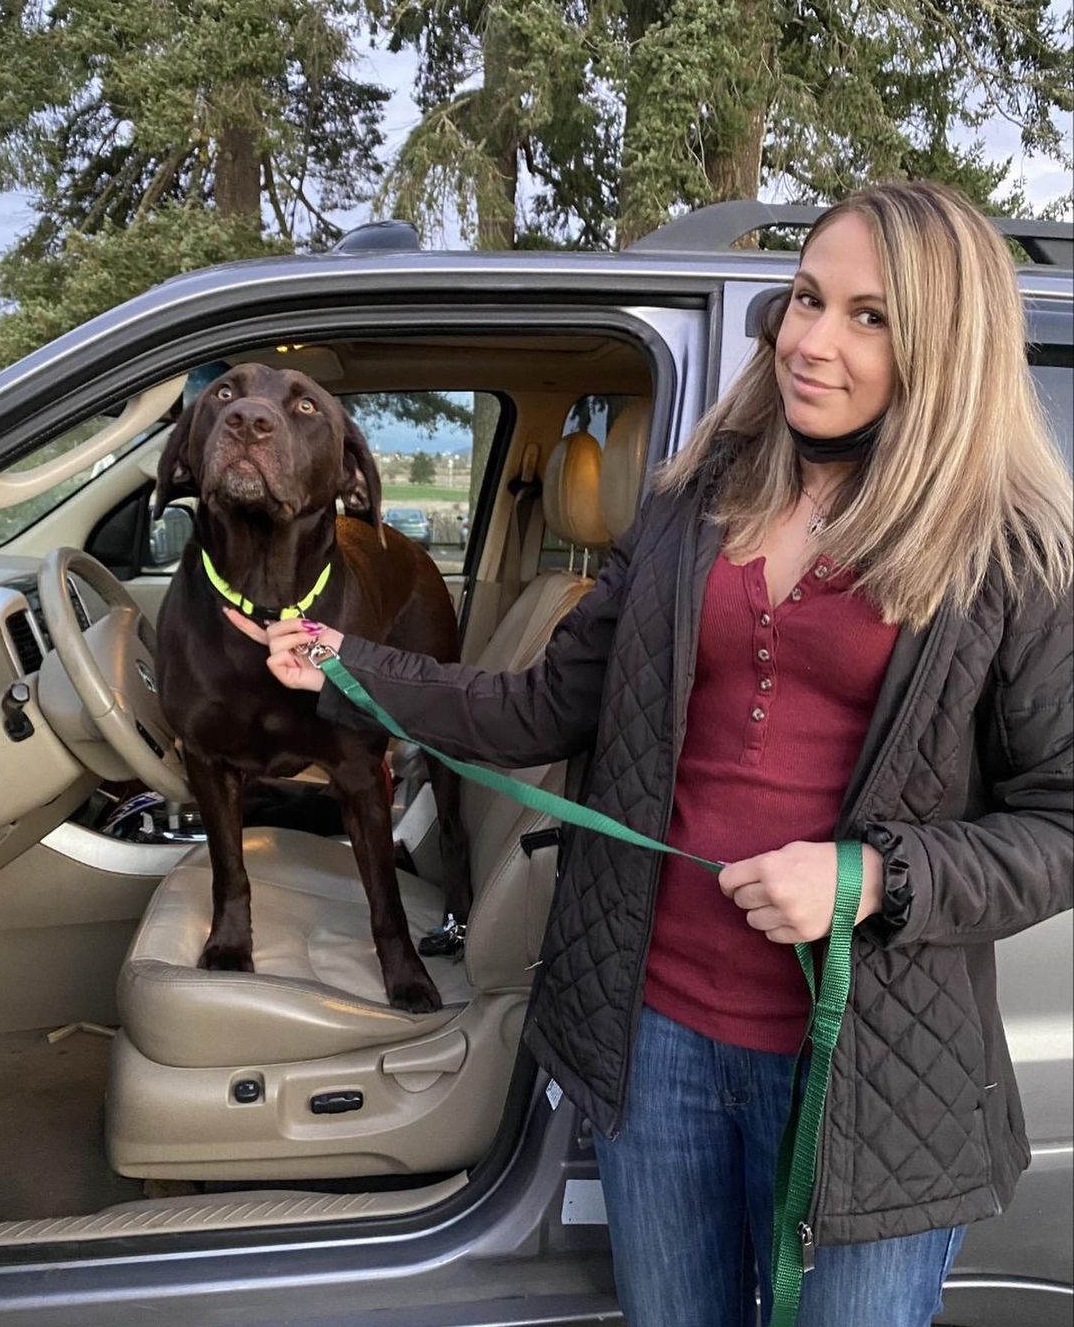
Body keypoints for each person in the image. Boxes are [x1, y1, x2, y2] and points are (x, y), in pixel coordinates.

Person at [226, 180, 1073, 1327]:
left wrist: (875, 876)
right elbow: (543, 708)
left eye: (871, 318)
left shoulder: (1010, 552)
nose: (814, 345)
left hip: (867, 1078)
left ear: (947, 345)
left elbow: (1060, 821)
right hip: (657, 1036)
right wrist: (345, 664)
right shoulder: (699, 503)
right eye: (807, 301)